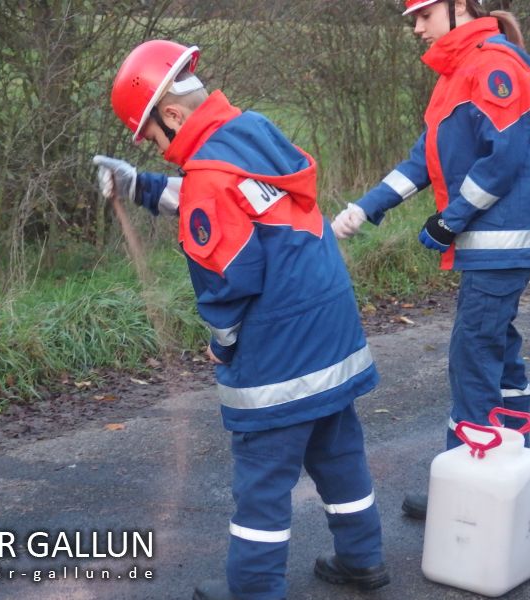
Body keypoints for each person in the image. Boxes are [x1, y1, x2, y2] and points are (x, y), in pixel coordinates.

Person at [94, 40, 390, 600]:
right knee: (339, 454)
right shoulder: (252, 132)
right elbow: (222, 194)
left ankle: (254, 589)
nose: (157, 151)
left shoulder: (208, 174)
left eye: (153, 138)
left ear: (173, 115)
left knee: (262, 483)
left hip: (279, 353)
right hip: (333, 333)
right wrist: (138, 185)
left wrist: (223, 346)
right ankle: (363, 559)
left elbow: (230, 278)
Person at [331, 0, 530, 520]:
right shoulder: (457, 73)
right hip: (497, 241)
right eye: (413, 18)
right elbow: (423, 161)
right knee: (497, 350)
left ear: (458, 8)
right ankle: (508, 465)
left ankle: (465, 487)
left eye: (422, 16)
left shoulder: (493, 66)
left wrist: (449, 220)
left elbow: (503, 160)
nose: (416, 28)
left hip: (504, 238)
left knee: (473, 354)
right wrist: (364, 209)